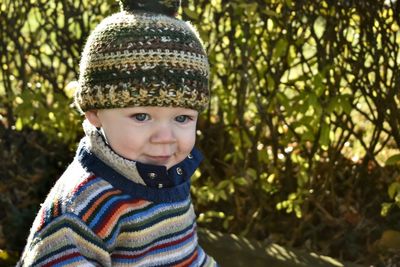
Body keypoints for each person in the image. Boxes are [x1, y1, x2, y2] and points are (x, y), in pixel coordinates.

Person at [18, 0, 218, 266]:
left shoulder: (168, 172)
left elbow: (184, 253)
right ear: (94, 112)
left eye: (182, 118)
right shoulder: (83, 206)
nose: (165, 137)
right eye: (141, 116)